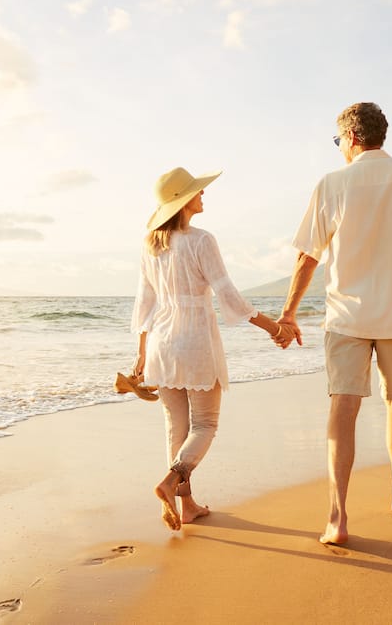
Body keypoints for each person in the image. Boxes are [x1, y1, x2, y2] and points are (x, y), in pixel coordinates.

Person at [279, 102, 392, 545]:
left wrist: (289, 312)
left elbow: (307, 256)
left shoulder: (333, 183)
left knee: (343, 407)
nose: (339, 149)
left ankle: (337, 518)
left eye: (338, 142)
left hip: (347, 316)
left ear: (352, 137)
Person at [132, 167, 296, 532]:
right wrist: (274, 327)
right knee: (205, 425)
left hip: (161, 342)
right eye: (197, 192)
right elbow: (228, 297)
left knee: (177, 426)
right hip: (194, 342)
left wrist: (142, 355)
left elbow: (143, 304)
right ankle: (171, 482)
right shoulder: (201, 240)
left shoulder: (150, 245)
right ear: (183, 201)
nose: (203, 195)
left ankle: (186, 505)